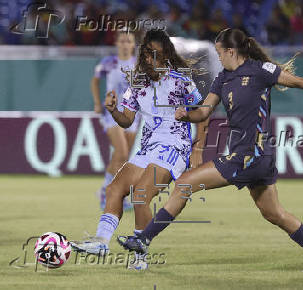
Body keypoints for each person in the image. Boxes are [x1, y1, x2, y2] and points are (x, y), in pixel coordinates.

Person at [117, 28, 303, 273]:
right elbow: (204, 111)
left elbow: (298, 82)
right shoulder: (223, 78)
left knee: (185, 183)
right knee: (273, 213)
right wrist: (187, 115)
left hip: (249, 156)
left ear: (231, 51)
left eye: (220, 53)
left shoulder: (260, 71)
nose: (218, 58)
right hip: (253, 159)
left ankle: (143, 239)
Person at [71, 30, 207, 270]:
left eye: (153, 54)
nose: (147, 59)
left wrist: (196, 141)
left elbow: (203, 113)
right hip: (148, 147)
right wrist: (113, 111)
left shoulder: (181, 80)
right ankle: (101, 242)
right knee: (114, 188)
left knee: (141, 194)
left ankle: (140, 258)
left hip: (174, 145)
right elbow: (126, 120)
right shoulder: (138, 83)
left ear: (165, 55)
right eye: (145, 53)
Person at [91, 31, 139, 211]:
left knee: (122, 157)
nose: (125, 44)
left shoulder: (138, 65)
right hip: (112, 113)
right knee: (121, 152)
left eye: (129, 41)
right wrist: (97, 102)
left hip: (132, 115)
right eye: (122, 41)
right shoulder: (108, 62)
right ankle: (108, 193)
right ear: (117, 44)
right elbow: (95, 81)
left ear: (133, 45)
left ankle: (110, 191)